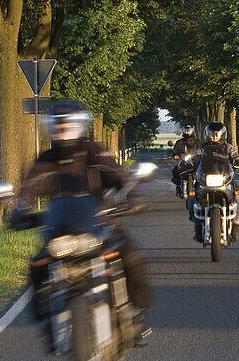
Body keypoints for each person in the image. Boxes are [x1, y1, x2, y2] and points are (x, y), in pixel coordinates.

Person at [11, 99, 153, 345]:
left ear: (79, 126)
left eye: (67, 125)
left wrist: (132, 195)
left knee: (130, 255)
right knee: (37, 266)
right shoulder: (45, 159)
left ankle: (135, 310)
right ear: (51, 128)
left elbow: (117, 175)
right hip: (61, 232)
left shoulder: (93, 151)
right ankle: (48, 318)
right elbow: (30, 187)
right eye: (58, 125)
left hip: (98, 225)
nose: (62, 129)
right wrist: (20, 209)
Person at [176, 120, 239, 243]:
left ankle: (236, 226)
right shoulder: (202, 148)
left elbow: (236, 157)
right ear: (207, 134)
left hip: (224, 179)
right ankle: (198, 227)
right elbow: (195, 158)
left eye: (217, 133)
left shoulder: (228, 147)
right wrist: (187, 165)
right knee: (192, 199)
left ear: (222, 134)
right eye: (211, 133)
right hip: (205, 179)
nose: (214, 136)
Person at [170, 124, 201, 197]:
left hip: (194, 162)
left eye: (189, 130)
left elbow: (202, 149)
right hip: (184, 162)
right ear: (183, 131)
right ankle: (178, 187)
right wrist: (175, 155)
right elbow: (174, 151)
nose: (187, 132)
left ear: (192, 130)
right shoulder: (179, 142)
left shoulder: (197, 142)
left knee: (202, 172)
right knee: (175, 170)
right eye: (186, 130)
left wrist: (201, 154)